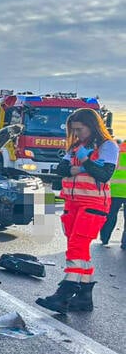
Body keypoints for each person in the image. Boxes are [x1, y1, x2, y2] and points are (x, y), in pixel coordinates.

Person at [36, 108, 118, 313]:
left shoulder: (108, 146)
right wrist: (83, 166)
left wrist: (85, 162)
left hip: (94, 204)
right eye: (74, 130)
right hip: (72, 203)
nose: (77, 134)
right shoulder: (76, 147)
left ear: (92, 126)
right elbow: (60, 170)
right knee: (80, 249)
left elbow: (104, 174)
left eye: (80, 129)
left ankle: (64, 292)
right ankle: (84, 297)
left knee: (77, 245)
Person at [99, 139, 126, 248]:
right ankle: (125, 244)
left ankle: (104, 238)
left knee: (110, 216)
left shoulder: (118, 151)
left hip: (115, 190)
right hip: (117, 189)